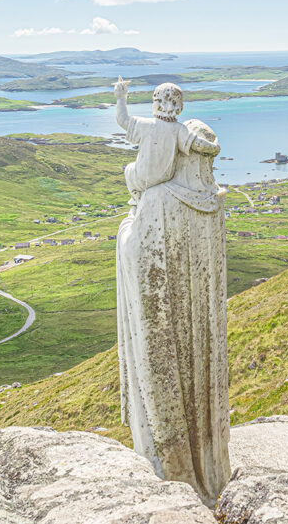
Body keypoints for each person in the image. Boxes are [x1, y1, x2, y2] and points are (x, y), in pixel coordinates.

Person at [114, 79, 231, 505]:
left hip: (163, 335)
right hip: (200, 345)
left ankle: (172, 473)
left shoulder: (159, 199)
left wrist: (127, 226)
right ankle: (210, 468)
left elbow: (136, 254)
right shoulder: (213, 203)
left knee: (163, 391)